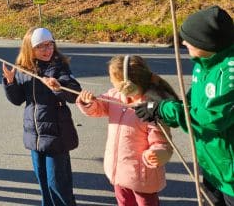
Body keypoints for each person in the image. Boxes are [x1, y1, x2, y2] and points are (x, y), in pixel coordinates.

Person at [134, 5, 234, 205]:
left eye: (189, 39)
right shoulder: (202, 66)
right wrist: (163, 107)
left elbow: (212, 119)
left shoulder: (229, 72)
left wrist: (164, 109)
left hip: (231, 175)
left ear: (207, 41)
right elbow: (190, 103)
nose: (184, 42)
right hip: (213, 166)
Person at [76, 55, 178, 205]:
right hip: (119, 171)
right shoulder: (115, 96)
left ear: (127, 83)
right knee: (123, 202)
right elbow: (99, 108)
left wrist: (158, 153)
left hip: (142, 177)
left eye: (113, 79)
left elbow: (161, 141)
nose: (111, 82)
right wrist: (88, 103)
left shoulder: (151, 108)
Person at [2, 27, 82, 206]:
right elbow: (17, 100)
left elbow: (75, 92)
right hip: (34, 136)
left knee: (58, 184)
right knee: (44, 183)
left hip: (56, 134)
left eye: (50, 45)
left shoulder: (59, 66)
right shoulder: (24, 69)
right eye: (41, 47)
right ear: (30, 48)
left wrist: (58, 86)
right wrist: (10, 82)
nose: (47, 50)